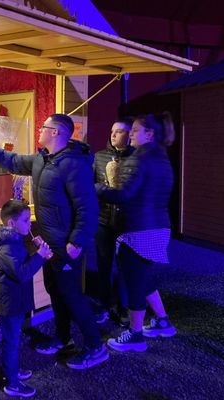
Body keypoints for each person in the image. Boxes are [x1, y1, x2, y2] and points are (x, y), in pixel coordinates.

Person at [0, 114, 108, 369]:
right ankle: (63, 338)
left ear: (56, 132)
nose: (39, 129)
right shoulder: (41, 159)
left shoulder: (74, 164)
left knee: (72, 295)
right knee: (55, 291)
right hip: (49, 244)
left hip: (67, 244)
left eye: (44, 127)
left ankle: (95, 346)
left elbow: (88, 207)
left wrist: (77, 241)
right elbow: (12, 161)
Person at [95, 112, 177, 352]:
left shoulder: (140, 158)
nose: (131, 134)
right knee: (144, 276)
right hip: (158, 226)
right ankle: (163, 321)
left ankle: (135, 334)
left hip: (139, 229)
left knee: (134, 283)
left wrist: (98, 189)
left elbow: (124, 195)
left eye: (135, 131)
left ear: (149, 134)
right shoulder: (161, 156)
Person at [0, 199, 53, 398]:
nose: (29, 224)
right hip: (9, 302)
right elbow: (21, 273)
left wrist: (38, 252)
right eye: (25, 221)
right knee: (11, 342)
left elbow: (21, 267)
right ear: (11, 224)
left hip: (15, 299)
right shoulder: (6, 247)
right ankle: (12, 383)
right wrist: (39, 255)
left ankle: (12, 372)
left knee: (14, 339)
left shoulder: (14, 241)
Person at [88, 118, 134, 326]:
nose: (114, 135)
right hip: (103, 219)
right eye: (112, 131)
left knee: (125, 266)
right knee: (104, 263)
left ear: (129, 135)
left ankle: (123, 306)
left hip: (127, 221)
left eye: (119, 131)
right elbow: (91, 184)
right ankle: (104, 303)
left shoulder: (136, 158)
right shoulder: (99, 157)